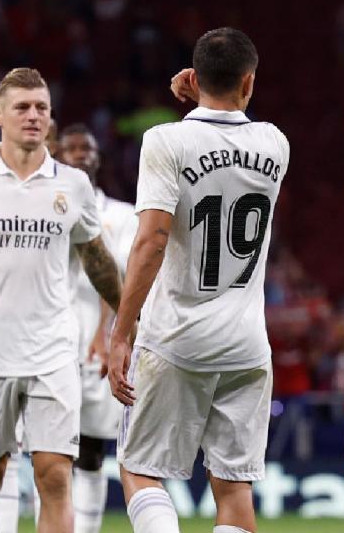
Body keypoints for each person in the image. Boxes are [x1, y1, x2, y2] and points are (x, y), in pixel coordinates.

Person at [107, 27, 289, 533]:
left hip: (177, 340)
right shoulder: (275, 144)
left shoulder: (166, 140)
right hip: (248, 346)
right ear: (249, 82)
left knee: (139, 470)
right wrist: (209, 95)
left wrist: (121, 332)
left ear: (193, 76)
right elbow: (234, 124)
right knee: (233, 491)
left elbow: (151, 241)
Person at [0, 67, 122, 533]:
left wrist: (127, 326)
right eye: (23, 107)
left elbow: (98, 263)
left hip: (54, 355)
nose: (34, 116)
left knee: (54, 475)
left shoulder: (71, 185)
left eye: (42, 108)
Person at [57, 122, 138, 533]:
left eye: (87, 148)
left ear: (98, 158)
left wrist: (108, 335)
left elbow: (120, 277)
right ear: (58, 155)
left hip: (97, 350)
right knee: (46, 450)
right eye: (71, 149)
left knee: (91, 450)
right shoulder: (45, 206)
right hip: (50, 345)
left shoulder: (121, 216)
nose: (80, 155)